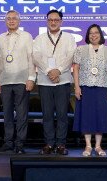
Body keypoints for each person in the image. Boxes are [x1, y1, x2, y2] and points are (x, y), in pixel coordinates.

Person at [33, 9, 76, 155]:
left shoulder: (69, 38)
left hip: (63, 81)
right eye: (50, 20)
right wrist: (49, 71)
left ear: (61, 22)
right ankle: (49, 144)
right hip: (45, 82)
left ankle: (61, 145)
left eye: (56, 20)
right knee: (47, 114)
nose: (53, 22)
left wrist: (58, 71)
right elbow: (36, 57)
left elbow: (70, 56)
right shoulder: (39, 38)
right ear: (47, 21)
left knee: (63, 114)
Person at [0, 10, 36, 154]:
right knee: (7, 113)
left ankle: (19, 144)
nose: (11, 21)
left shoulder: (26, 36)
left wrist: (31, 78)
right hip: (5, 81)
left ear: (19, 21)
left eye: (14, 19)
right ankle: (8, 142)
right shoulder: (0, 38)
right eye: (8, 19)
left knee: (21, 114)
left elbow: (32, 58)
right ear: (5, 21)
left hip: (22, 81)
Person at [73, 24, 107, 157]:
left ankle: (98, 146)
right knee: (86, 116)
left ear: (100, 35)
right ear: (87, 35)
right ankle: (88, 146)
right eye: (91, 33)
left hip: (102, 87)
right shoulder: (81, 49)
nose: (93, 35)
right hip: (85, 87)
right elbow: (76, 68)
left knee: (100, 117)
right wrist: (77, 86)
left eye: (96, 32)